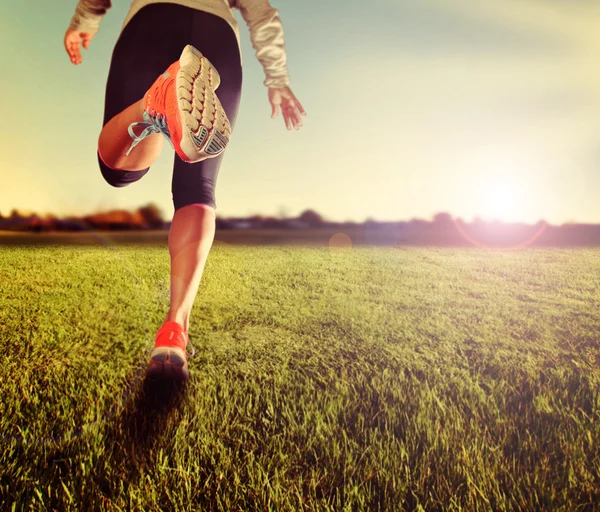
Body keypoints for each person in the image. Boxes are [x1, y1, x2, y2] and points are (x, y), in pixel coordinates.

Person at [64, 0, 306, 380]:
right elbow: (261, 12)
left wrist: (86, 20)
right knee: (198, 186)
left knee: (119, 171)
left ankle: (152, 106)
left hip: (152, 22)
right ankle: (174, 329)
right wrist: (277, 79)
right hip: (217, 39)